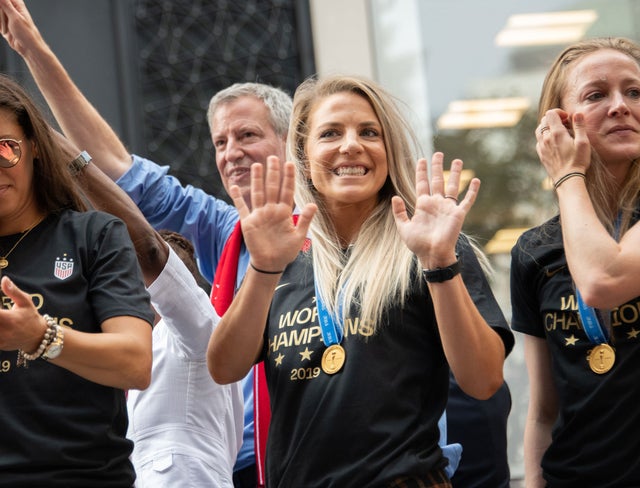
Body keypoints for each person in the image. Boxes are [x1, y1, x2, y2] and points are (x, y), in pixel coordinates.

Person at [0, 2, 466, 482]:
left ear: (294, 145)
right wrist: (33, 51)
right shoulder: (226, 230)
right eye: (220, 142)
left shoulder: (394, 234)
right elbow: (116, 172)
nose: (232, 153)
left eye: (247, 135)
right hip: (257, 469)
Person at [208, 75, 514, 487]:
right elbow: (224, 367)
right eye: (330, 133)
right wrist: (263, 268)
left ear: (388, 151)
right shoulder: (282, 253)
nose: (351, 144)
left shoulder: (427, 246)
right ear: (302, 152)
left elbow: (483, 381)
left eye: (369, 132)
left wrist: (440, 263)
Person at [59, 135, 244, 487]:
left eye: (137, 278)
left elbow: (149, 250)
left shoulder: (197, 332)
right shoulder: (127, 350)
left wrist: (72, 160)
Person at [0, 73, 154, 486]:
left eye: (4, 149)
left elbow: (135, 363)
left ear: (33, 147)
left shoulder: (94, 236)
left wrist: (39, 338)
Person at [510, 36, 640, 487]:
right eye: (596, 94)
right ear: (559, 123)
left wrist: (567, 175)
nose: (621, 105)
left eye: (635, 91)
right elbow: (544, 410)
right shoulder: (534, 250)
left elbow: (604, 279)